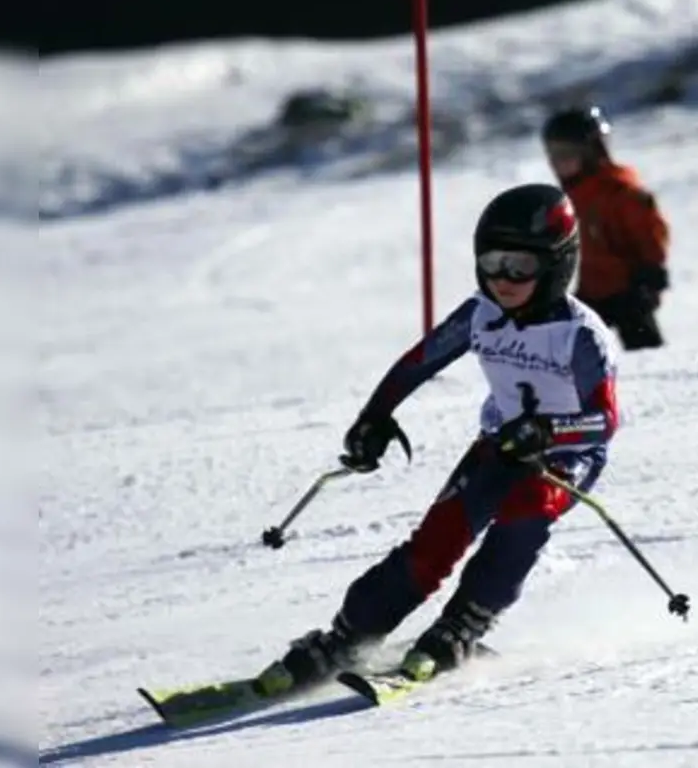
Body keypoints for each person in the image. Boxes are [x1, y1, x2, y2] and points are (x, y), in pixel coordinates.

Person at [253, 183, 621, 693]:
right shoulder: (480, 314)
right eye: (492, 262)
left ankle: (463, 625)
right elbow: (417, 363)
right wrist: (374, 417)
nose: (503, 279)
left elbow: (604, 420)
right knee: (436, 540)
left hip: (565, 455)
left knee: (525, 513)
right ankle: (348, 636)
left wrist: (548, 430)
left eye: (519, 266)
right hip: (500, 444)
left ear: (556, 265)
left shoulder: (580, 335)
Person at [540, 106, 671, 350]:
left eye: (566, 153)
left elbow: (650, 233)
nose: (558, 163)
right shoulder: (574, 196)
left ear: (592, 152)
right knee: (563, 345)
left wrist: (651, 272)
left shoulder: (621, 193)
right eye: (553, 154)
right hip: (593, 290)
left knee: (643, 347)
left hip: (629, 289)